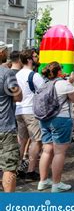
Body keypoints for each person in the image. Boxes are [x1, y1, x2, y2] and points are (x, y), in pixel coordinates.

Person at [37, 62, 74, 192]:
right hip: (60, 119)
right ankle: (56, 184)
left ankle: (43, 181)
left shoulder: (43, 84)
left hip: (44, 119)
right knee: (59, 152)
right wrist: (72, 82)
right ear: (58, 72)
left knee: (46, 150)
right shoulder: (63, 84)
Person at [15, 49, 44, 180]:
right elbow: (44, 93)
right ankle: (31, 171)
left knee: (22, 140)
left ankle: (19, 168)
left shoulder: (16, 74)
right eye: (35, 56)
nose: (37, 57)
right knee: (36, 140)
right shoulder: (34, 75)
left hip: (18, 110)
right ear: (29, 60)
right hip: (30, 111)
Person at [0, 42, 22, 192]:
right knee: (9, 166)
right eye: (5, 50)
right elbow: (18, 96)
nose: (7, 52)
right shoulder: (7, 73)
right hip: (5, 126)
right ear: (1, 53)